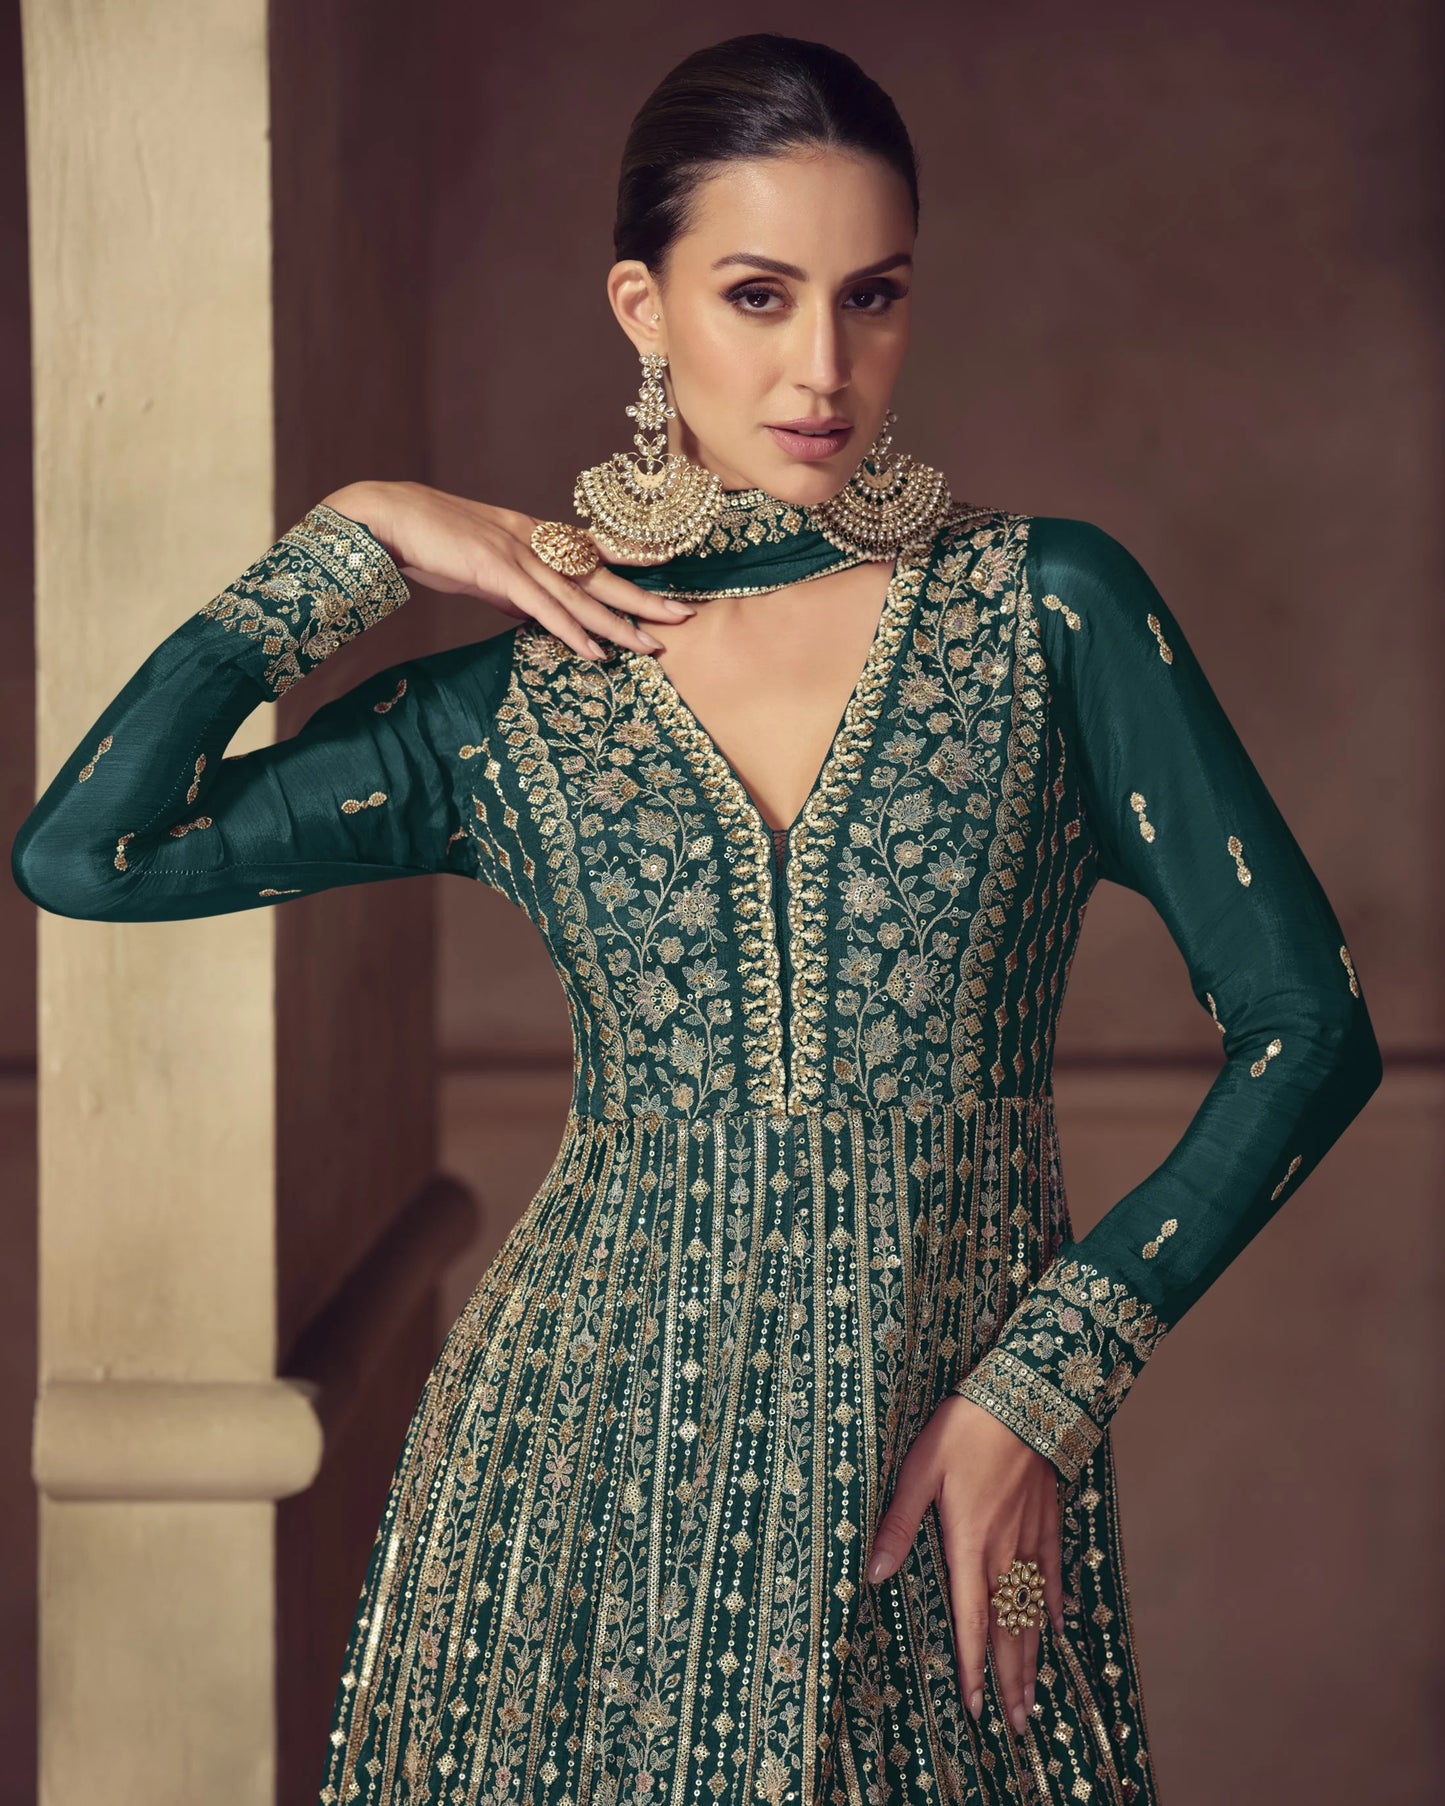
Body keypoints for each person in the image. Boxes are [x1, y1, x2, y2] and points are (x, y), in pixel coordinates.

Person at [10, 30, 1382, 1806]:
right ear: (640, 309)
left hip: (940, 1461)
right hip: (576, 1479)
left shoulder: (1044, 612)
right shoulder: (514, 704)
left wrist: (1043, 1383)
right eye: (756, 295)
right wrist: (361, 539)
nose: (823, 366)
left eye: (872, 295)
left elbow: (1306, 1027)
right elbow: (88, 855)